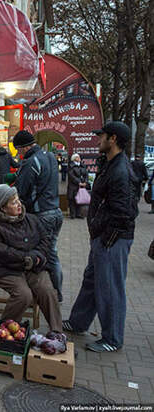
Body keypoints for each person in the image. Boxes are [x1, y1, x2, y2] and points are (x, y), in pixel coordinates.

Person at [63, 121, 140, 353]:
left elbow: (126, 213)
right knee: (92, 281)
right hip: (103, 237)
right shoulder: (109, 164)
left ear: (113, 139)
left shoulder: (120, 171)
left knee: (109, 287)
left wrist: (107, 238)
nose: (98, 139)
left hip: (112, 239)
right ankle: (78, 322)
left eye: (102, 136)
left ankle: (112, 339)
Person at [0, 185, 62, 332]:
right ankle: (5, 331)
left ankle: (57, 333)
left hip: (34, 267)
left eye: (18, 199)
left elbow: (46, 239)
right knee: (24, 295)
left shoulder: (31, 219)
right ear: (3, 208)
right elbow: (1, 251)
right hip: (6, 269)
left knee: (47, 291)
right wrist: (26, 258)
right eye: (13, 202)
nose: (19, 204)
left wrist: (36, 256)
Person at [12, 130, 64, 302]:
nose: (19, 155)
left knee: (47, 257)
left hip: (42, 215)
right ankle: (54, 293)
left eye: (18, 151)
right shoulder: (49, 155)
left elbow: (22, 191)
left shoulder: (30, 161)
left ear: (25, 147)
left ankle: (54, 294)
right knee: (52, 253)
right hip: (56, 212)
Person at [67, 153, 89, 219]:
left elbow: (86, 174)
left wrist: (85, 181)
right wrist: (78, 182)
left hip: (81, 186)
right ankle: (73, 214)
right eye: (77, 157)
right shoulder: (71, 166)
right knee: (72, 200)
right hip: (73, 186)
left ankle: (79, 214)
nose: (79, 158)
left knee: (80, 200)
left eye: (79, 157)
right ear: (74, 158)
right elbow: (71, 176)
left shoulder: (83, 166)